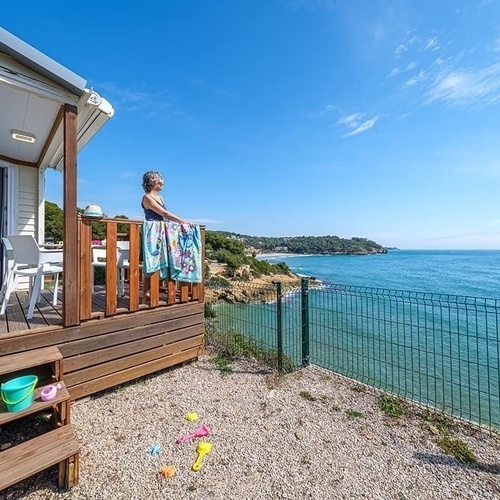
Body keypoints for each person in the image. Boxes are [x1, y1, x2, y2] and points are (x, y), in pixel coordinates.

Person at [141, 170, 192, 301]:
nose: (163, 183)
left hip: (162, 232)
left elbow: (166, 214)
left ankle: (153, 290)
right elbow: (164, 213)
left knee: (163, 261)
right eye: (160, 180)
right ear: (153, 182)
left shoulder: (160, 198)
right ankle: (146, 293)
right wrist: (183, 221)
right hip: (153, 233)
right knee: (151, 262)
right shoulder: (147, 197)